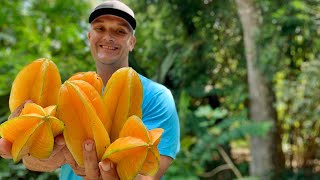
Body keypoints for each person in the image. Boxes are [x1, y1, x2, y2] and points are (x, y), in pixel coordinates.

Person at [0, 0, 180, 179]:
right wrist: (37, 146)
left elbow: (149, 175)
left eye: (119, 31)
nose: (108, 36)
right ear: (89, 36)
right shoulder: (72, 89)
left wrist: (110, 169)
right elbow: (33, 162)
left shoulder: (157, 97)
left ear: (132, 42)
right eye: (100, 28)